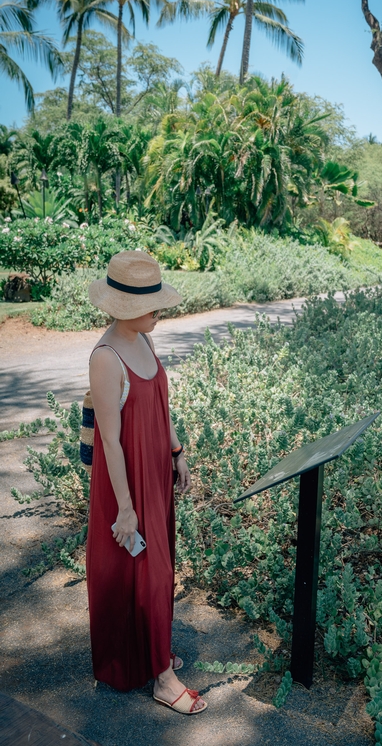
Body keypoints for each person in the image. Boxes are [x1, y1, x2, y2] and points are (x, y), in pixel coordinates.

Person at [86, 250, 207, 715]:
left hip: (154, 472)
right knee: (143, 570)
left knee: (157, 567)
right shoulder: (106, 357)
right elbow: (110, 444)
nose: (160, 309)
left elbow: (161, 406)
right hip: (126, 484)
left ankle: (152, 651)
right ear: (126, 306)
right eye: (152, 302)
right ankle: (162, 677)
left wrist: (176, 452)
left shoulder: (145, 340)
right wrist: (125, 507)